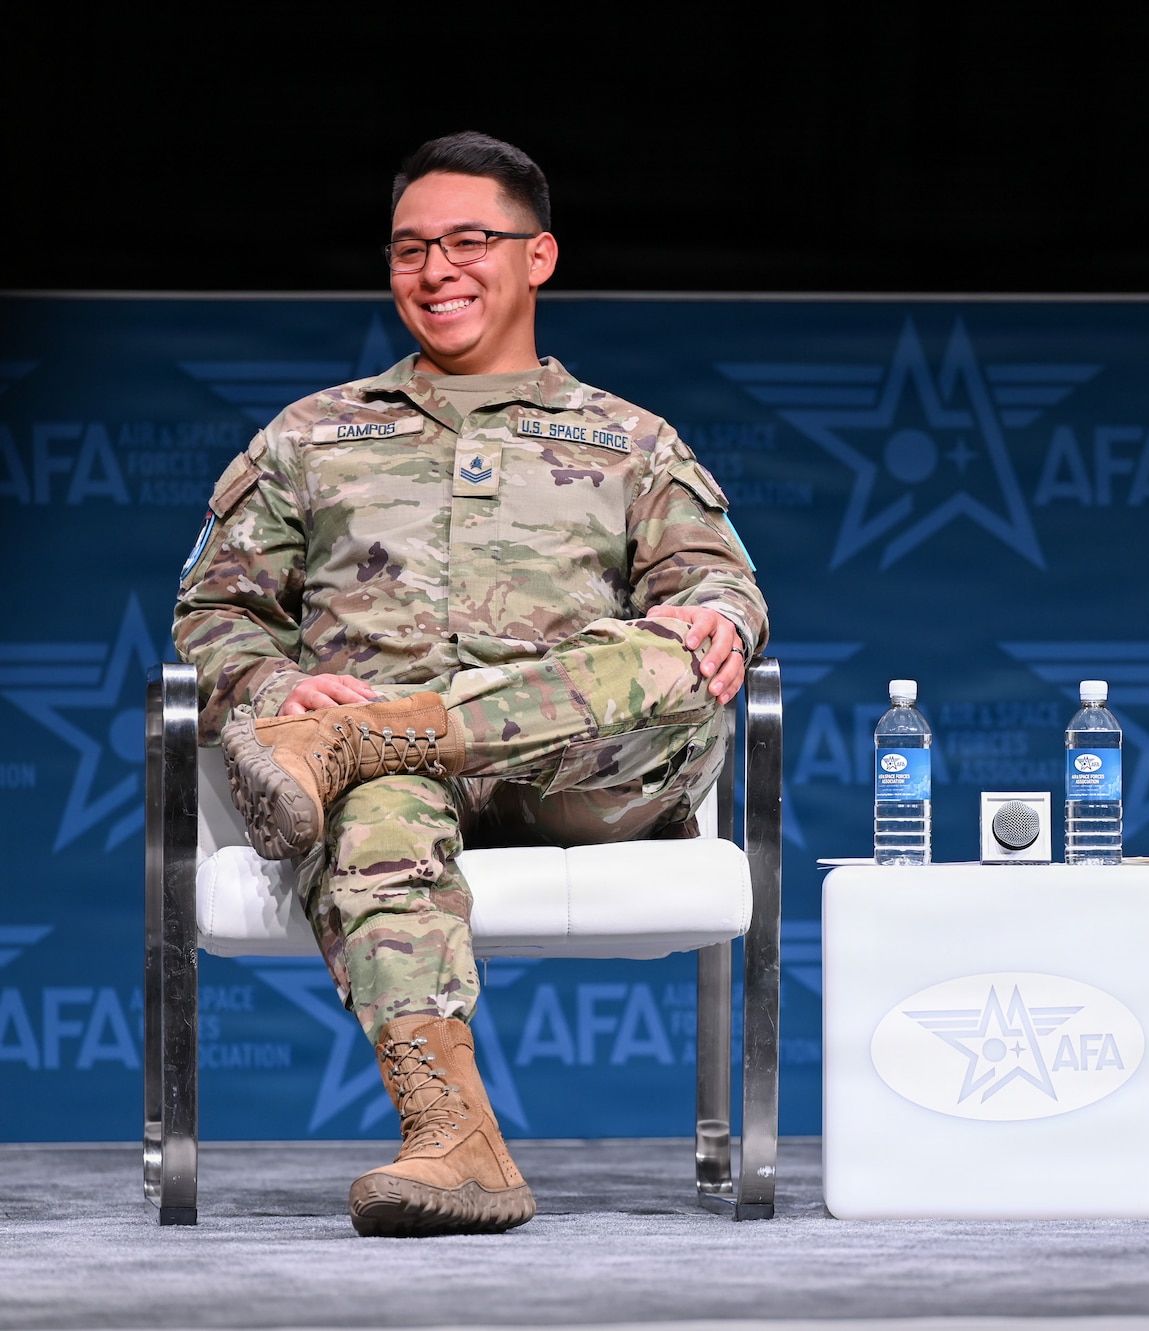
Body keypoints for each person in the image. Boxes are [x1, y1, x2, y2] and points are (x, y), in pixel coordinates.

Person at [174, 132, 765, 1237]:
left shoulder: (628, 440)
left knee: (671, 654)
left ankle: (377, 738)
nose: (434, 268)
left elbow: (720, 590)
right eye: (408, 248)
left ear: (537, 257)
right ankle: (457, 1141)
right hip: (380, 776)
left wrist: (717, 619)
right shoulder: (313, 436)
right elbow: (215, 609)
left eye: (465, 241)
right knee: (371, 801)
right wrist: (271, 686)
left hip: (592, 777)